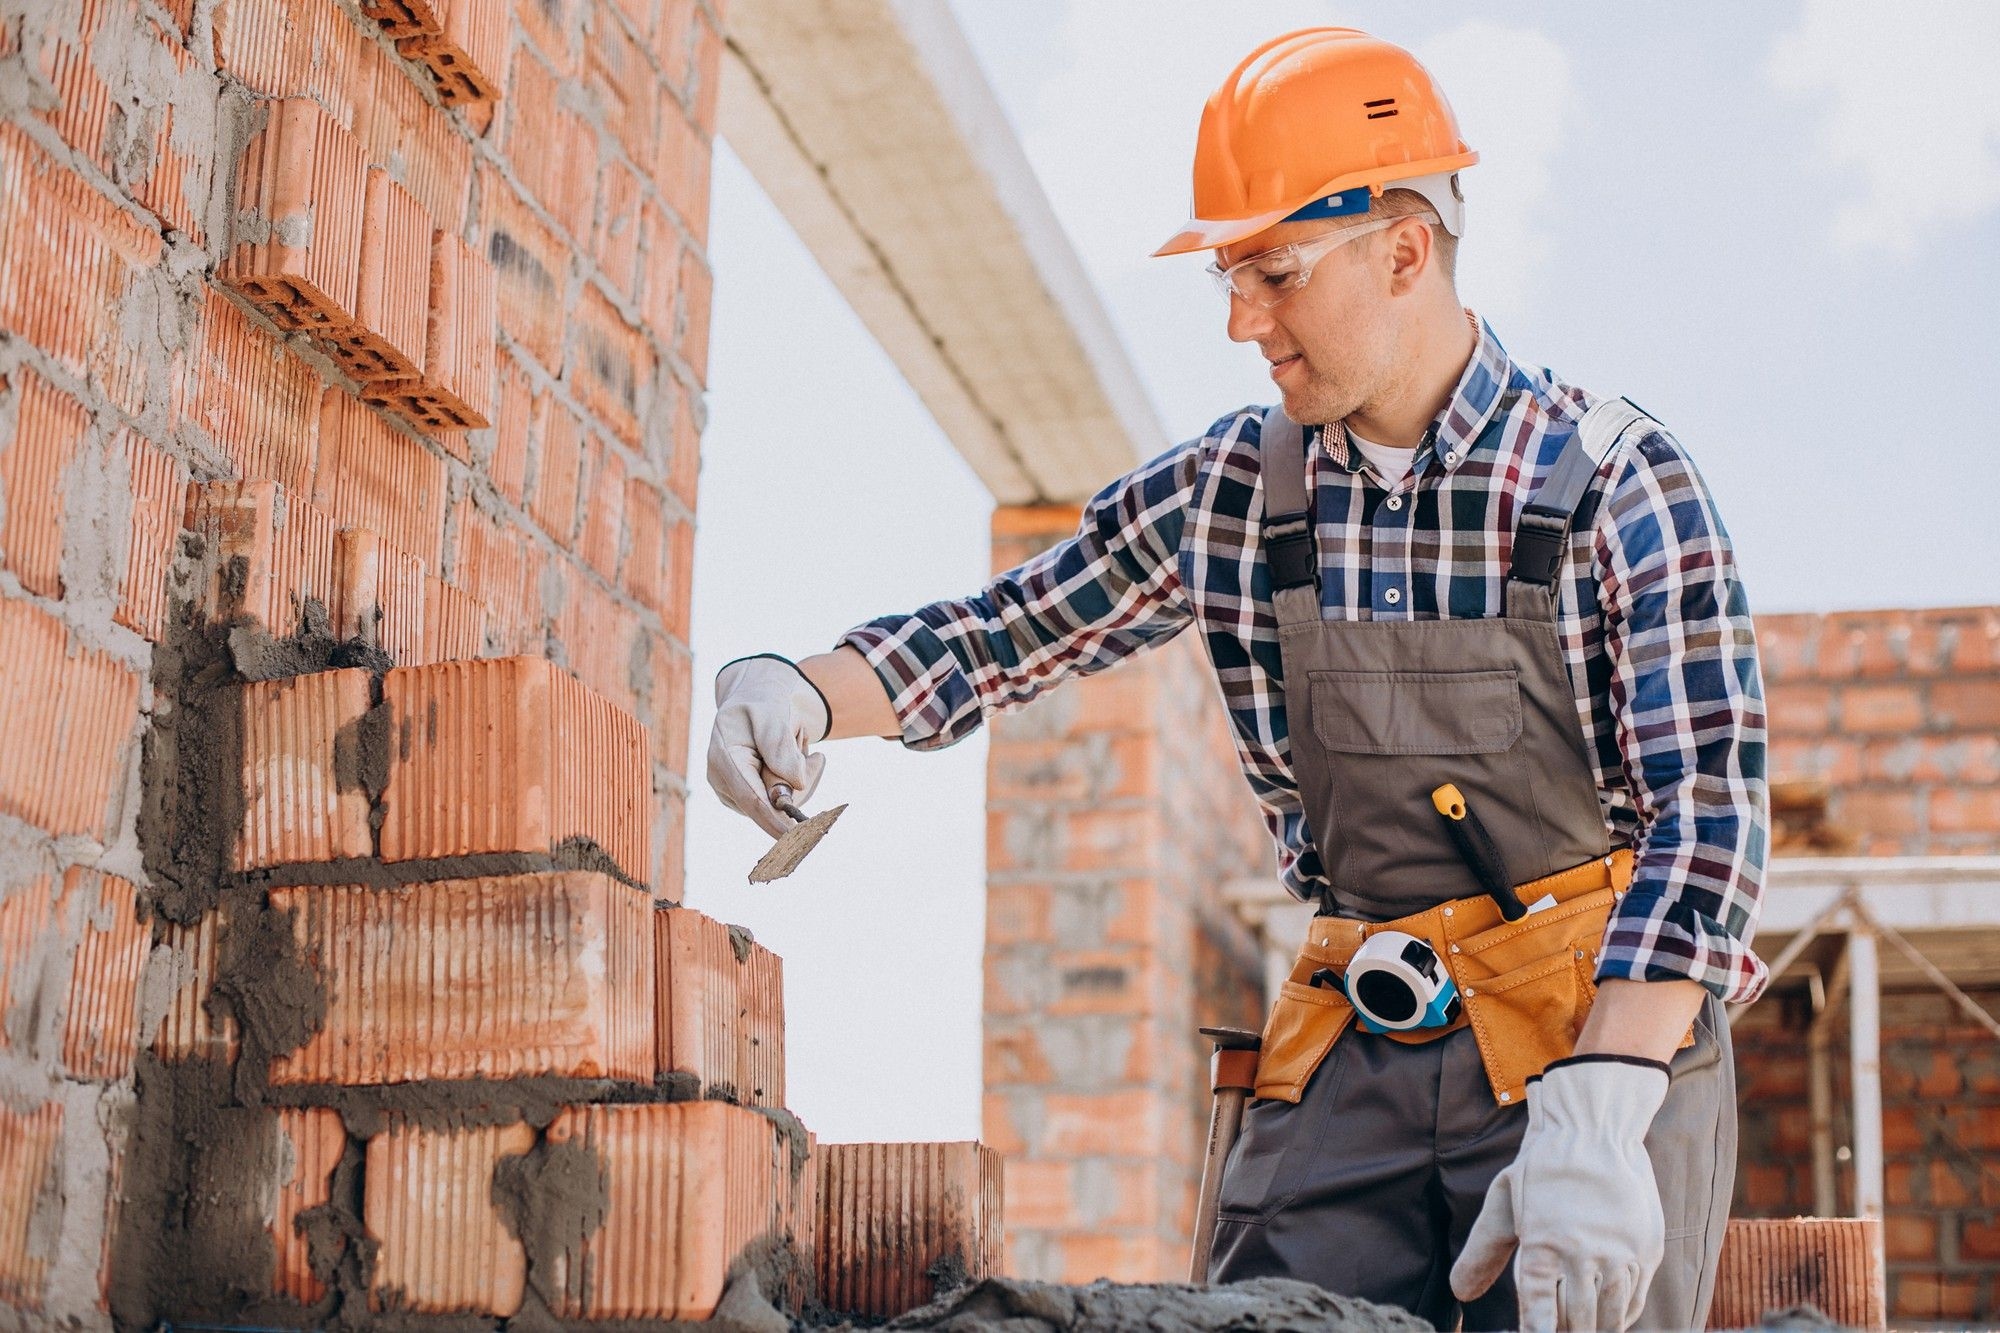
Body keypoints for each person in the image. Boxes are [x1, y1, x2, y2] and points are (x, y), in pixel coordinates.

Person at [707, 26, 1768, 1333]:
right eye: (1228, 276)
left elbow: (1709, 811)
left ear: (1402, 248)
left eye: (1275, 273)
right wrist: (801, 688)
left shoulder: (1610, 478)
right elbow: (1005, 629)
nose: (1240, 322)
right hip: (1360, 1031)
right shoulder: (1233, 493)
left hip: (1592, 1025)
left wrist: (1608, 1092)